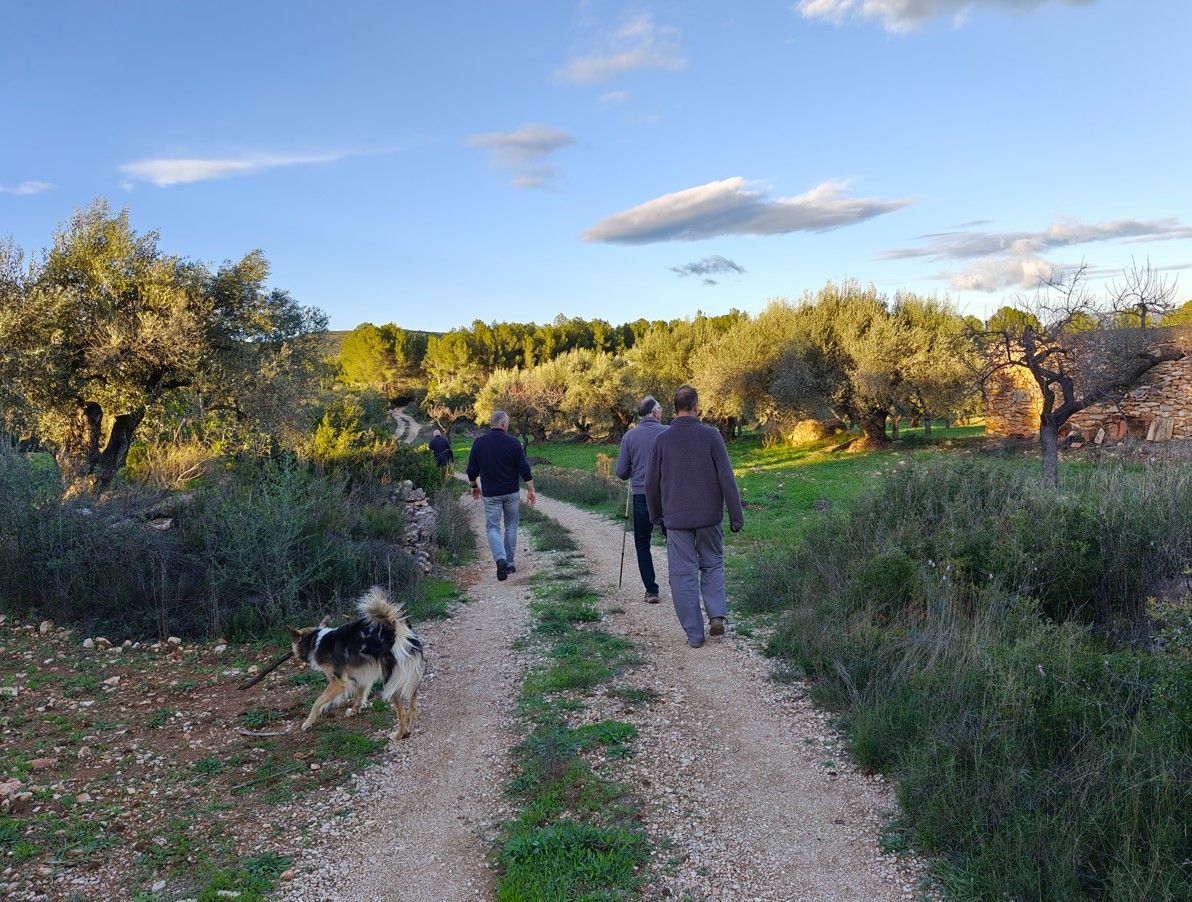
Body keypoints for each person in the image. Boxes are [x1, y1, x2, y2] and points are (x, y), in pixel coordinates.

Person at [645, 385, 744, 648]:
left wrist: (656, 515)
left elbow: (651, 484)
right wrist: (736, 515)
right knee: (712, 564)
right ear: (697, 407)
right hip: (709, 517)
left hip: (676, 520)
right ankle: (716, 614)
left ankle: (695, 635)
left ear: (674, 409)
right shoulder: (711, 436)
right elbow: (727, 478)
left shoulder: (662, 441)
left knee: (682, 575)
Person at [466, 410, 536, 581]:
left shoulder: (479, 443)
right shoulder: (513, 443)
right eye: (508, 423)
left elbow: (471, 470)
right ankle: (510, 563)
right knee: (511, 526)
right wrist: (531, 490)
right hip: (511, 492)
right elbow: (524, 468)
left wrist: (474, 486)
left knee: (492, 527)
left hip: (490, 494)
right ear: (503, 424)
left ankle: (500, 559)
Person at [614, 396, 668, 603]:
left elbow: (621, 471)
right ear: (653, 412)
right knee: (673, 539)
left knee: (642, 543)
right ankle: (678, 582)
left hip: (640, 495)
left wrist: (631, 470)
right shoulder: (667, 432)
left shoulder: (630, 436)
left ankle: (651, 590)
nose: (661, 412)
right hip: (666, 495)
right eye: (660, 409)